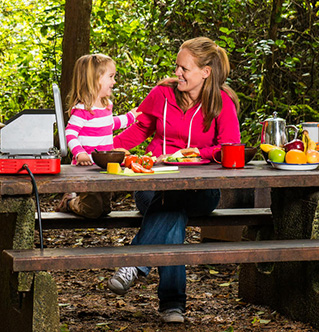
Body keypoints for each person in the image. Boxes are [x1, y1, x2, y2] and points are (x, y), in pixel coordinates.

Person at [107, 37, 241, 324]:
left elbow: (230, 146)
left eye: (185, 68)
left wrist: (195, 153)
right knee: (171, 210)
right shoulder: (162, 94)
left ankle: (135, 261)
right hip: (153, 185)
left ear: (206, 72)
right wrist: (102, 147)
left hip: (202, 193)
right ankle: (172, 305)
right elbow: (138, 129)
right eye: (177, 67)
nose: (177, 73)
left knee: (175, 200)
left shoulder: (222, 102)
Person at [55, 53, 137, 219]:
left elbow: (109, 125)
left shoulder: (106, 106)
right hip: (87, 168)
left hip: (105, 167)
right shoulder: (83, 109)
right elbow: (70, 132)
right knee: (92, 209)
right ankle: (69, 202)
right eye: (111, 77)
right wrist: (79, 153)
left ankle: (78, 202)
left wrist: (131, 117)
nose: (114, 82)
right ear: (94, 79)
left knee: (105, 208)